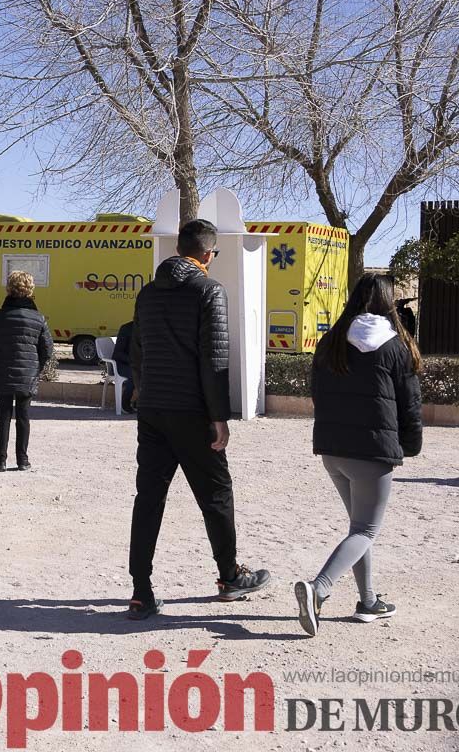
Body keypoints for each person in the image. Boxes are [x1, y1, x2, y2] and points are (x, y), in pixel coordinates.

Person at [126, 219, 271, 620]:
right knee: (216, 496)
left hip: (153, 411)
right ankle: (228, 576)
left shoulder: (148, 294)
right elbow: (215, 360)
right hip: (192, 412)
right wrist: (219, 417)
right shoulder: (209, 291)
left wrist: (142, 388)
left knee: (149, 500)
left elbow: (136, 349)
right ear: (208, 253)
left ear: (177, 249)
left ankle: (141, 591)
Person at [294, 274, 423, 637]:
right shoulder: (397, 346)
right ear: (388, 302)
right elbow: (410, 404)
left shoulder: (331, 341)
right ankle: (318, 590)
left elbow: (316, 393)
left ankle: (368, 601)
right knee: (366, 529)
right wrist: (409, 446)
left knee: (358, 529)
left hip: (332, 449)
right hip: (373, 452)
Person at [0, 270, 54, 472]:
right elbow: (47, 349)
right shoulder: (38, 318)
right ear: (30, 290)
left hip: (2, 370)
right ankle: (22, 460)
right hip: (28, 374)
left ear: (9, 289)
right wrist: (36, 367)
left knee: (3, 415)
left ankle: (0, 460)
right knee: (23, 416)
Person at [112, 320, 136, 413]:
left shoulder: (147, 329)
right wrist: (133, 361)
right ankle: (125, 402)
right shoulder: (126, 329)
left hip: (137, 364)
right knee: (135, 374)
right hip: (122, 364)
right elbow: (118, 354)